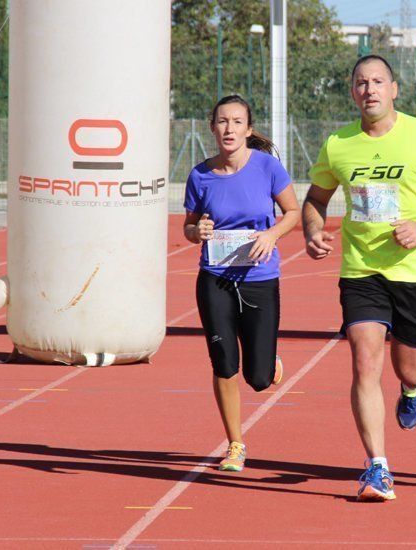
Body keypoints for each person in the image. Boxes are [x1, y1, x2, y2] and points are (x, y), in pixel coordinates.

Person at [302, 55, 416, 501]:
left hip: (415, 272)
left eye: (378, 81)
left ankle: (415, 388)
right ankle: (377, 466)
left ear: (394, 89)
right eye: (361, 83)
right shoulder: (338, 144)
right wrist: (313, 229)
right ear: (352, 91)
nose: (370, 90)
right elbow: (315, 197)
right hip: (361, 271)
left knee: (408, 364)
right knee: (364, 358)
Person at [183, 95, 299, 472]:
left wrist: (272, 236)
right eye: (222, 121)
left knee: (258, 377)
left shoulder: (267, 167)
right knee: (223, 363)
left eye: (236, 122)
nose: (229, 129)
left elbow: (293, 212)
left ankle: (269, 364)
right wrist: (196, 230)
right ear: (212, 128)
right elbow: (189, 225)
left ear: (248, 130)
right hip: (215, 279)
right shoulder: (200, 175)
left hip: (259, 279)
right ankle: (235, 444)